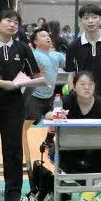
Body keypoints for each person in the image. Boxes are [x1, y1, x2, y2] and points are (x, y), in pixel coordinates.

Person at [0, 9, 42, 201]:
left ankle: (13, 196)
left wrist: (22, 96)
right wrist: (5, 84)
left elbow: (34, 76)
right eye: (8, 21)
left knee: (13, 151)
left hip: (13, 105)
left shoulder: (23, 48)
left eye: (16, 22)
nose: (12, 25)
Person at [65, 3, 101, 111]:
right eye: (86, 18)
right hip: (81, 102)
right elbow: (71, 75)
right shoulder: (73, 46)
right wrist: (74, 99)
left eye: (94, 17)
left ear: (100, 19)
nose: (90, 21)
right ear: (81, 21)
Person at [23, 27, 65, 170]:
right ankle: (23, 157)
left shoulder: (57, 56)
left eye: (48, 35)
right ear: (35, 41)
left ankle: (49, 142)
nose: (47, 37)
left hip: (49, 96)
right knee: (23, 128)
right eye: (42, 36)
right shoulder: (33, 55)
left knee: (57, 117)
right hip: (33, 97)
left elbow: (70, 61)